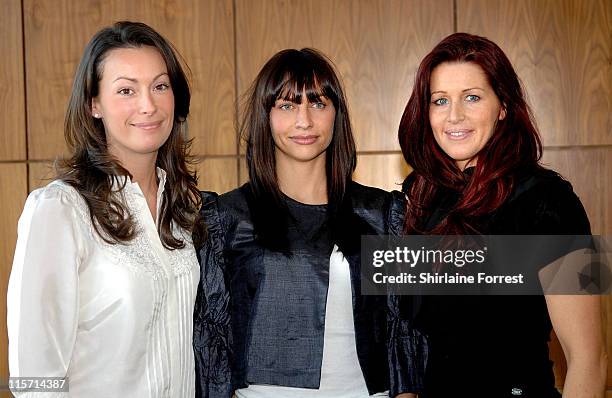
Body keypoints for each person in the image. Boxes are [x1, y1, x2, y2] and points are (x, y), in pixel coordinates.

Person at [193, 48, 425, 398]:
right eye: (287, 105)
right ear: (266, 117)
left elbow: (401, 325)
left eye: (317, 103)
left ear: (336, 115)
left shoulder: (381, 214)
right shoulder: (227, 218)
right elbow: (212, 340)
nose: (304, 120)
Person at [398, 32, 607, 397]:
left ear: (503, 107)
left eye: (472, 98)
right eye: (440, 100)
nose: (454, 116)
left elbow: (590, 358)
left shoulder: (553, 200)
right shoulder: (419, 200)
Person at [8, 21, 204, 397]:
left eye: (160, 86)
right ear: (94, 104)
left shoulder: (182, 209)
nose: (148, 105)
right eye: (126, 90)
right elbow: (34, 378)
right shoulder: (61, 209)